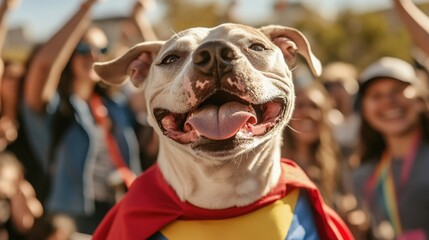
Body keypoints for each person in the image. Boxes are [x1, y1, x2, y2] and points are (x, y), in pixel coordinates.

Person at [21, 0, 142, 234]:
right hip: (73, 220)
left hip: (123, 209)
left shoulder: (117, 105)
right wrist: (85, 10)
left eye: (102, 50)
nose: (94, 56)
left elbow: (159, 82)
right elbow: (44, 67)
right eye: (84, 50)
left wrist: (139, 20)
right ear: (68, 55)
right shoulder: (56, 109)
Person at [352, 56, 429, 239]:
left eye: (397, 91)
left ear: (420, 98)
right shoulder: (362, 177)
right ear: (364, 110)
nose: (388, 102)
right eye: (376, 95)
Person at [320, 62, 361, 164]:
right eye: (329, 86)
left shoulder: (365, 116)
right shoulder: (327, 118)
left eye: (339, 84)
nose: (335, 90)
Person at [0, 151, 43, 240]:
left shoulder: (16, 195)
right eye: (7, 180)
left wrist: (25, 197)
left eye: (16, 182)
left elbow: (25, 225)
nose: (12, 186)